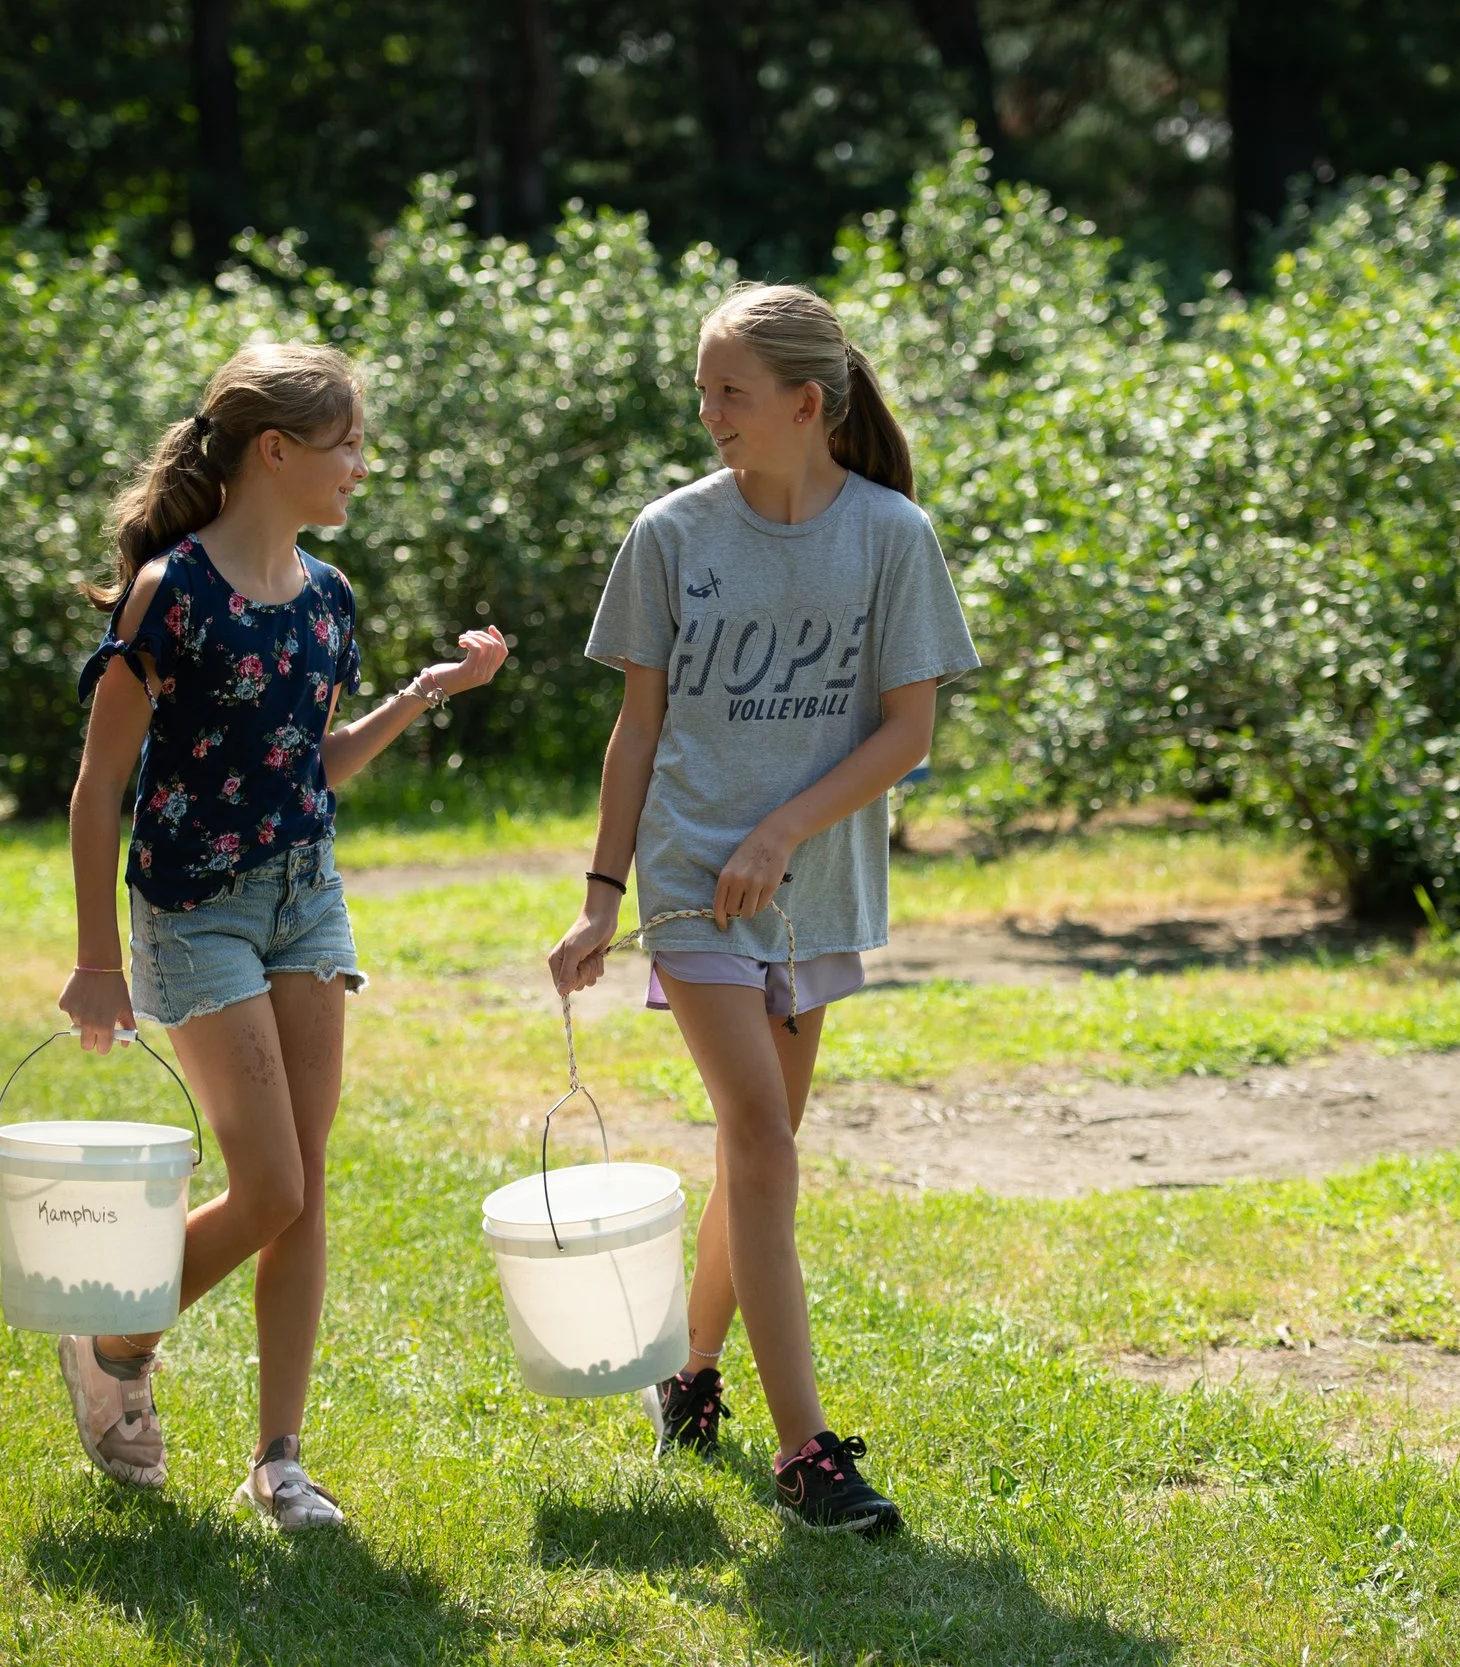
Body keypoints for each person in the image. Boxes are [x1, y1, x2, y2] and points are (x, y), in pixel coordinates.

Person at [548, 283, 979, 1536]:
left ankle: (684, 1375)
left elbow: (908, 732)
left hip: (816, 891)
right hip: (693, 885)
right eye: (702, 390)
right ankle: (807, 1454)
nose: (708, 413)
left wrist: (786, 830)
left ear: (806, 403)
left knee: (758, 1152)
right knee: (765, 1139)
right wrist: (600, 897)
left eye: (729, 392)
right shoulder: (671, 535)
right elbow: (637, 733)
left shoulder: (892, 536)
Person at [58, 342, 508, 1530]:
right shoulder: (173, 591)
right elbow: (99, 783)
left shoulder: (330, 599)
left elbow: (315, 763)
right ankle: (113, 1338)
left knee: (299, 1193)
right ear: (276, 450)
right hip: (193, 907)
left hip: (307, 896)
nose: (362, 464)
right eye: (347, 441)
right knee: (266, 1183)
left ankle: (280, 1460)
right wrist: (99, 961)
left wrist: (420, 696)